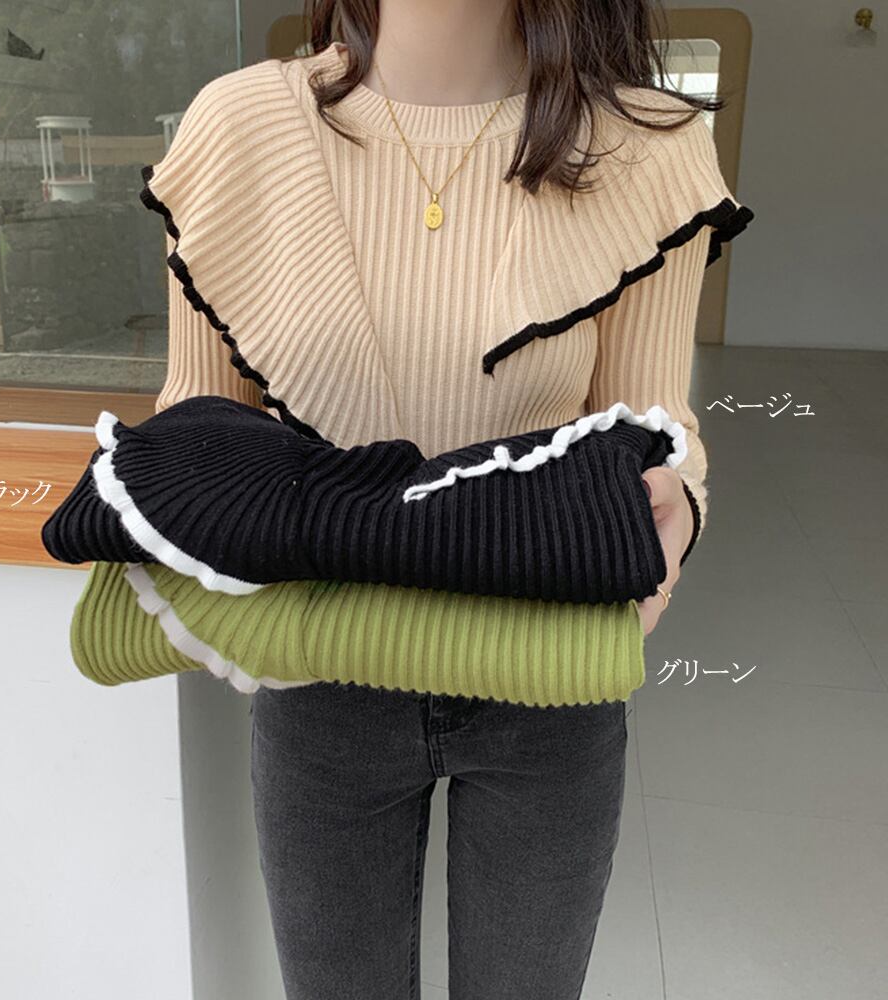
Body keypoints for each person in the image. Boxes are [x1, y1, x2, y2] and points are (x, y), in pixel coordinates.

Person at [148, 2, 752, 996]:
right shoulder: (243, 125)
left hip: (545, 665)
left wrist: (674, 507)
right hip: (320, 664)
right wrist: (194, 563)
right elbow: (197, 421)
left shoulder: (644, 141)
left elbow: (651, 426)